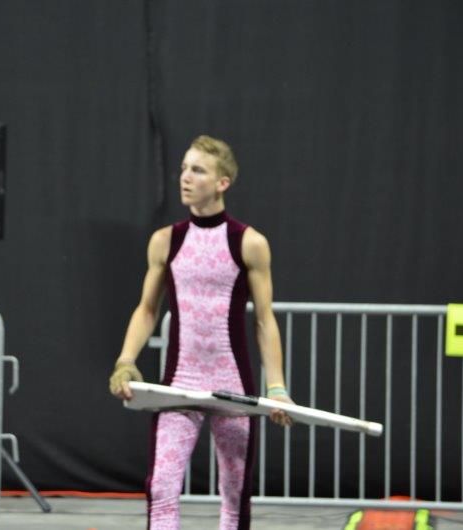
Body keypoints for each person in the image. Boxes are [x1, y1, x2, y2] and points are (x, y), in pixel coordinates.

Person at [109, 135, 293, 530]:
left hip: (232, 384)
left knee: (235, 495)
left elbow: (265, 320)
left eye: (198, 170)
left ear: (223, 182)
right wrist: (125, 361)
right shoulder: (166, 241)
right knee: (161, 488)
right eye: (183, 169)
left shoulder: (250, 243)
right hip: (181, 384)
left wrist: (276, 387)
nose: (185, 177)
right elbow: (147, 309)